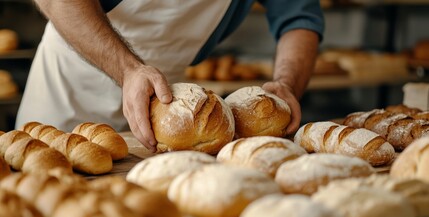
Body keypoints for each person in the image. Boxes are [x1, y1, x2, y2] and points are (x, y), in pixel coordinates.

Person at [16, 0, 324, 152]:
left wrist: (286, 83)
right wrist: (129, 70)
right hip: (69, 84)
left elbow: (299, 16)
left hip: (175, 112)